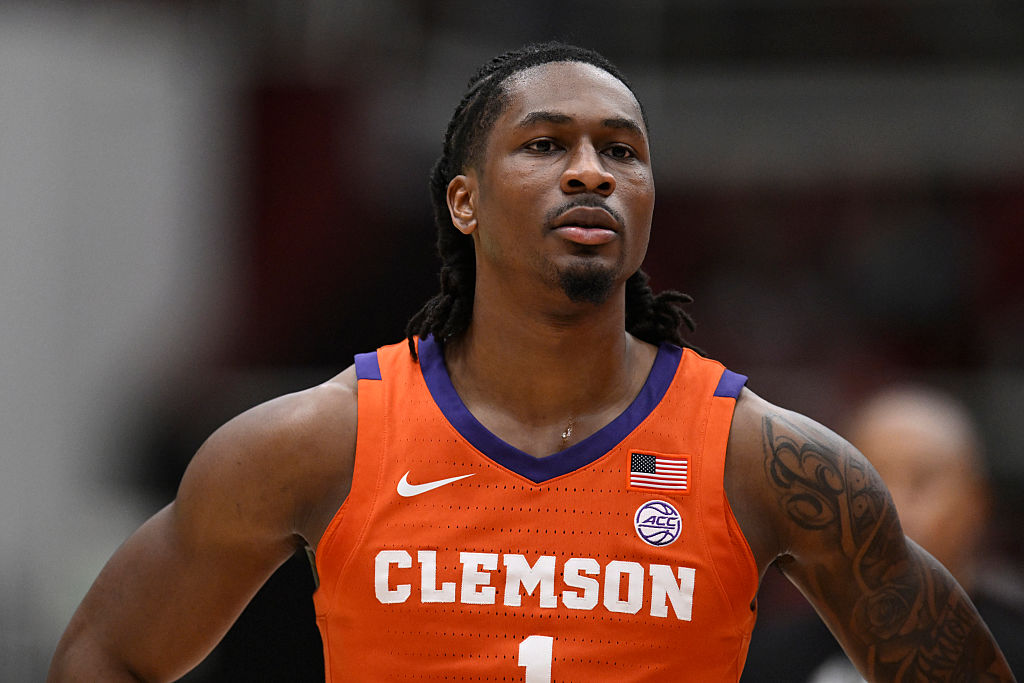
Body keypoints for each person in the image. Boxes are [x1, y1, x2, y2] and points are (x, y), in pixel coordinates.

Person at [48, 42, 1015, 682]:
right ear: (463, 204)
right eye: (546, 144)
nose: (591, 169)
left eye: (622, 152)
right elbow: (103, 655)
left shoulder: (767, 462)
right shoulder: (318, 440)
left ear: (646, 203)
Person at [743, 385, 1024, 681]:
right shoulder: (770, 661)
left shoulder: (1013, 653)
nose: (893, 502)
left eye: (922, 480)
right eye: (867, 478)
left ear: (975, 503)